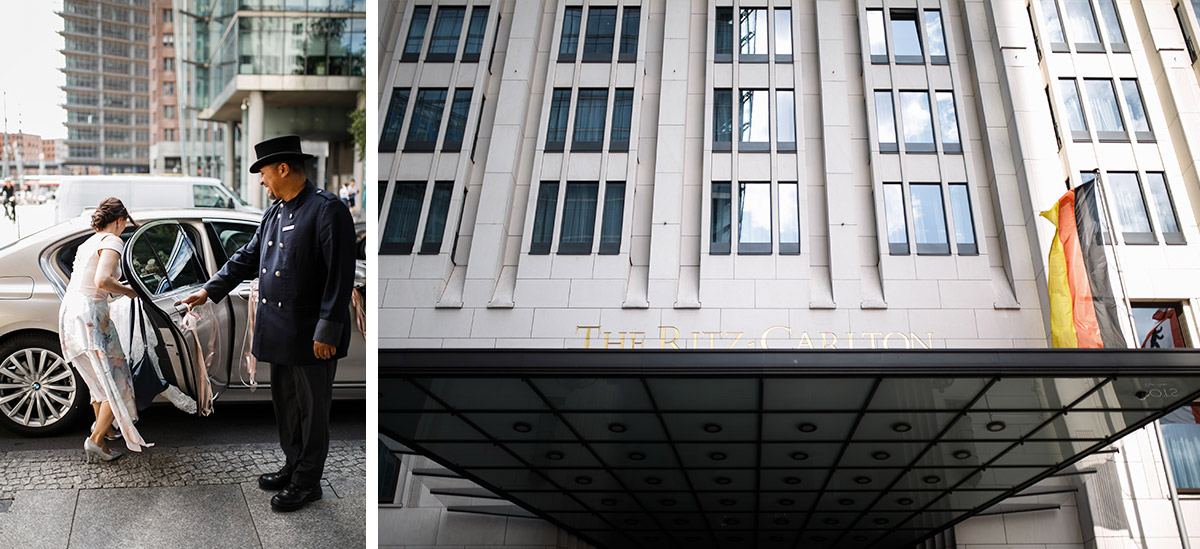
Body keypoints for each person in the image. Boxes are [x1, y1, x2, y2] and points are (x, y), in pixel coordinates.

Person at [177, 135, 356, 512]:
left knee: (313, 411)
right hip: (279, 329)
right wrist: (210, 290)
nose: (261, 181)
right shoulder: (275, 212)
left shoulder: (328, 210)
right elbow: (247, 256)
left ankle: (308, 482)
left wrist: (328, 329)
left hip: (310, 334)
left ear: (283, 169)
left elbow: (340, 277)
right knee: (287, 406)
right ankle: (293, 466)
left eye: (263, 173)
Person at [57, 198, 152, 462]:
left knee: (97, 382)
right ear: (120, 220)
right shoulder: (112, 241)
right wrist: (130, 291)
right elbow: (103, 281)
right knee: (117, 382)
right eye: (124, 224)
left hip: (70, 313)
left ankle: (105, 431)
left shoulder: (89, 242)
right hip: (91, 315)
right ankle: (96, 440)